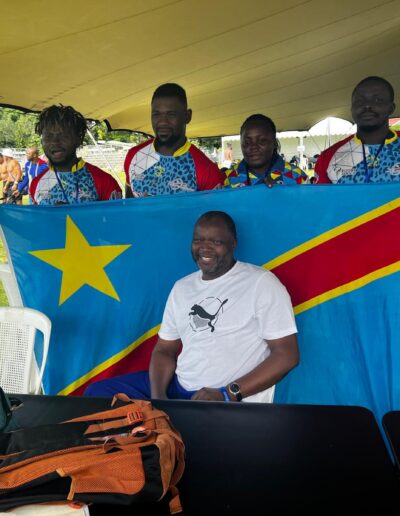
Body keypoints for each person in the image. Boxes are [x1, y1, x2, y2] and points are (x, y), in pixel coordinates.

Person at [85, 211, 299, 403]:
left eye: (216, 241)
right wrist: (158, 398)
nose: (205, 248)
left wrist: (227, 393)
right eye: (198, 240)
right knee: (97, 394)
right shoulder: (182, 287)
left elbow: (286, 355)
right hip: (179, 388)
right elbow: (164, 350)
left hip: (224, 397)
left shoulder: (261, 282)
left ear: (233, 243)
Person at [124, 83, 223, 198]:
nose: (162, 122)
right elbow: (128, 205)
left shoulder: (206, 170)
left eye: (171, 114)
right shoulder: (134, 156)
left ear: (187, 116)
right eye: (156, 114)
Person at [30, 105, 122, 205]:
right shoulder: (36, 184)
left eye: (63, 135)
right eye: (48, 136)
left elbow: (119, 215)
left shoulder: (105, 181)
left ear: (79, 139)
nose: (55, 142)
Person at [315, 76, 399, 183]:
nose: (367, 105)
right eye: (359, 101)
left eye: (377, 100)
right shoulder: (328, 157)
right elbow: (320, 194)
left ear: (391, 108)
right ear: (351, 109)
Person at [224, 114, 308, 188]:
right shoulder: (227, 177)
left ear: (274, 143)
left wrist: (282, 193)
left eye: (262, 141)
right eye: (247, 142)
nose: (254, 147)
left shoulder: (297, 176)